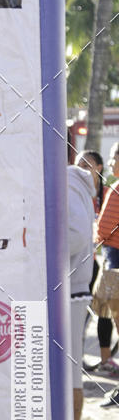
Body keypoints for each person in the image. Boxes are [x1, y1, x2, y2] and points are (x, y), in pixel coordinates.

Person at [67, 158, 96, 420]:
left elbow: (75, 236)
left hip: (69, 291)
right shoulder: (69, 179)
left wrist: (34, 247)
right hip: (64, 289)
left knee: (69, 375)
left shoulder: (67, 179)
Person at [93, 142, 119, 404]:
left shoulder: (116, 188)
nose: (111, 163)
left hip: (114, 263)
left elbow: (105, 229)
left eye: (114, 158)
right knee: (105, 315)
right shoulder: (115, 187)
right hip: (111, 260)